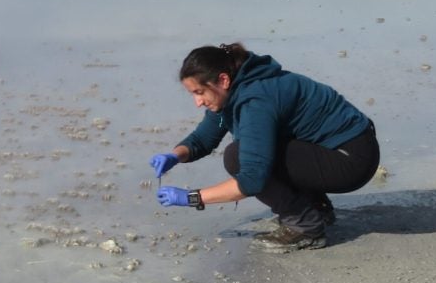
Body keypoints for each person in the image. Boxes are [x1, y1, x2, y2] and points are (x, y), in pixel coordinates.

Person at [150, 42, 380, 252]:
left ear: (222, 80)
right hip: (337, 149)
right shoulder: (236, 89)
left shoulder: (256, 100)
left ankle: (306, 228)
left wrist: (191, 197)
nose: (197, 102)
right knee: (252, 150)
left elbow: (252, 180)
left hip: (351, 160)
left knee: (237, 157)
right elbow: (205, 137)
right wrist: (174, 155)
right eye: (193, 94)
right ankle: (316, 208)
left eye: (199, 92)